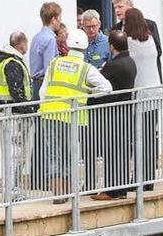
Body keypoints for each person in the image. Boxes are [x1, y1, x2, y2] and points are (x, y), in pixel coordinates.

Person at [37, 27, 109, 197]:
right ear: (84, 49)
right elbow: (107, 88)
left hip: (50, 114)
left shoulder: (54, 63)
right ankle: (69, 193)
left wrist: (44, 107)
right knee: (69, 155)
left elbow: (43, 91)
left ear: (68, 46)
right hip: (72, 117)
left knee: (53, 154)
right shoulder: (86, 68)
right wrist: (89, 93)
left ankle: (57, 195)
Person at [0, 30, 36, 198]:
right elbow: (16, 91)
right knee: (16, 155)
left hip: (5, 110)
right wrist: (29, 111)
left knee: (14, 154)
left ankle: (13, 189)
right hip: (14, 114)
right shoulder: (12, 63)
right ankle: (11, 190)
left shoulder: (3, 59)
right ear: (22, 45)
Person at [123, 6, 163, 191]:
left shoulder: (130, 42)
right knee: (149, 137)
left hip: (139, 96)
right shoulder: (151, 40)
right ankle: (149, 179)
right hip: (155, 93)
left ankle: (138, 178)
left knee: (137, 138)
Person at [94, 28, 136, 197]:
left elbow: (99, 84)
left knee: (112, 151)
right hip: (126, 110)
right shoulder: (130, 62)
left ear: (112, 46)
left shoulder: (113, 65)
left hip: (113, 113)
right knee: (123, 151)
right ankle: (122, 188)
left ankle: (112, 191)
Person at [113, 0, 163, 66]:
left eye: (120, 7)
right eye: (115, 7)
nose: (117, 10)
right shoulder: (115, 29)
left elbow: (158, 51)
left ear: (131, 6)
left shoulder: (149, 25)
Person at [28, 2, 62, 95]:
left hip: (35, 83)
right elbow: (49, 68)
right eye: (59, 17)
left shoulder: (36, 37)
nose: (60, 21)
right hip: (44, 83)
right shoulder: (50, 39)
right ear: (53, 19)